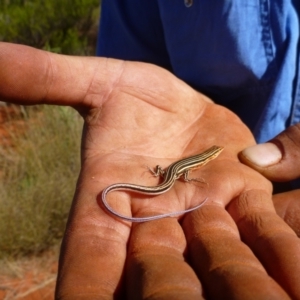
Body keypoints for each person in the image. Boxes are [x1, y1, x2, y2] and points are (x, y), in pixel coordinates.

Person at [0, 2, 299, 299]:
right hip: (171, 179)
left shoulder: (200, 161)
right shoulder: (197, 164)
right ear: (210, 157)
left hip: (192, 179)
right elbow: (184, 172)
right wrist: (187, 178)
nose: (214, 156)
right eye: (213, 155)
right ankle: (116, 194)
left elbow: (182, 169)